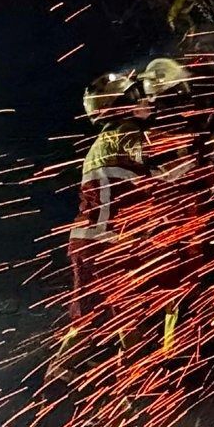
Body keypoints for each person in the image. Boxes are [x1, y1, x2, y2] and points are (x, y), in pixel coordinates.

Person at [67, 71, 150, 329]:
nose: (138, 102)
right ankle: (145, 366)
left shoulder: (98, 145)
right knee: (129, 311)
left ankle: (65, 368)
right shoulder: (125, 132)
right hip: (107, 242)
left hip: (83, 240)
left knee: (85, 319)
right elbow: (155, 163)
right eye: (130, 97)